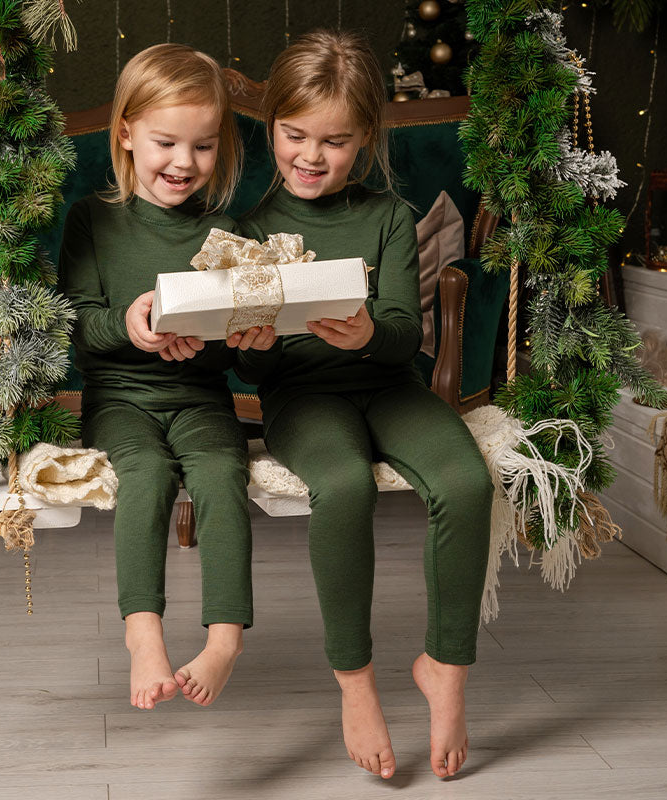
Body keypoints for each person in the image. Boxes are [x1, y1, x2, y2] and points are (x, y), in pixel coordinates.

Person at [237, 30, 494, 779]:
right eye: (295, 135)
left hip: (387, 385)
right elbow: (251, 370)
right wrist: (250, 343)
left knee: (466, 480)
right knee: (343, 485)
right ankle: (355, 685)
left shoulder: (385, 215)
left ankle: (446, 669)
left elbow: (408, 333)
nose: (311, 156)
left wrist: (365, 333)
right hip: (301, 398)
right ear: (272, 128)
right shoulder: (250, 231)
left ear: (365, 140)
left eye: (335, 141)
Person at [59, 43, 274, 711]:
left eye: (204, 146)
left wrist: (231, 339)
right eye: (165, 142)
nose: (184, 162)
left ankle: (225, 637)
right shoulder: (94, 221)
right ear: (125, 133)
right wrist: (129, 324)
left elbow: (239, 360)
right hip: (120, 398)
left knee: (219, 471)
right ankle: (142, 631)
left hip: (202, 398)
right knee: (147, 475)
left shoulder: (227, 232)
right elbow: (76, 329)